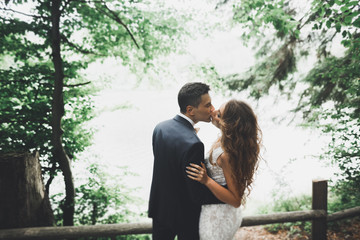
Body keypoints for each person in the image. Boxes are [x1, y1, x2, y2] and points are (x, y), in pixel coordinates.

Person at [148, 82, 225, 240]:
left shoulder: (160, 128)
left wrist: (190, 133)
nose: (212, 109)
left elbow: (168, 167)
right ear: (190, 110)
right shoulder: (194, 144)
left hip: (160, 208)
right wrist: (227, 195)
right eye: (208, 105)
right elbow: (196, 194)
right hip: (185, 216)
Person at [186, 99, 262, 240]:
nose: (213, 112)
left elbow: (235, 200)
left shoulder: (227, 155)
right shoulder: (227, 141)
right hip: (215, 210)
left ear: (230, 125)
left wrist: (206, 180)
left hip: (219, 217)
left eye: (219, 114)